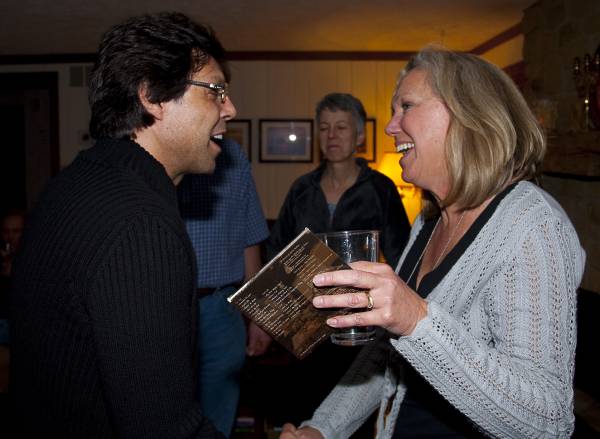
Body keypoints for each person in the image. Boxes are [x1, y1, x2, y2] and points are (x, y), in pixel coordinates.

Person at [280, 48, 585, 439]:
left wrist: (416, 320)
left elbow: (548, 423)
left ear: (467, 114)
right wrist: (322, 429)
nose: (391, 127)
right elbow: (385, 356)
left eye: (406, 106)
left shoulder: (530, 225)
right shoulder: (428, 219)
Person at [9, 12, 236, 438]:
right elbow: (163, 428)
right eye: (215, 92)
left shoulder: (75, 181)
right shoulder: (140, 225)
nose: (230, 109)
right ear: (152, 96)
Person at [265, 93, 410, 430]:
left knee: (352, 417)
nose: (332, 136)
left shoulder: (381, 188)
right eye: (325, 128)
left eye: (341, 127)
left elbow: (403, 257)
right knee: (306, 414)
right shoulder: (302, 188)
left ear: (359, 136)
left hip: (360, 326)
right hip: (305, 325)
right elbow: (276, 253)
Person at [178, 137, 271, 437]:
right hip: (166, 309)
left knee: (219, 421)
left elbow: (251, 235)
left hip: (221, 309)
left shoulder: (234, 158)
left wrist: (258, 315)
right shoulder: (160, 148)